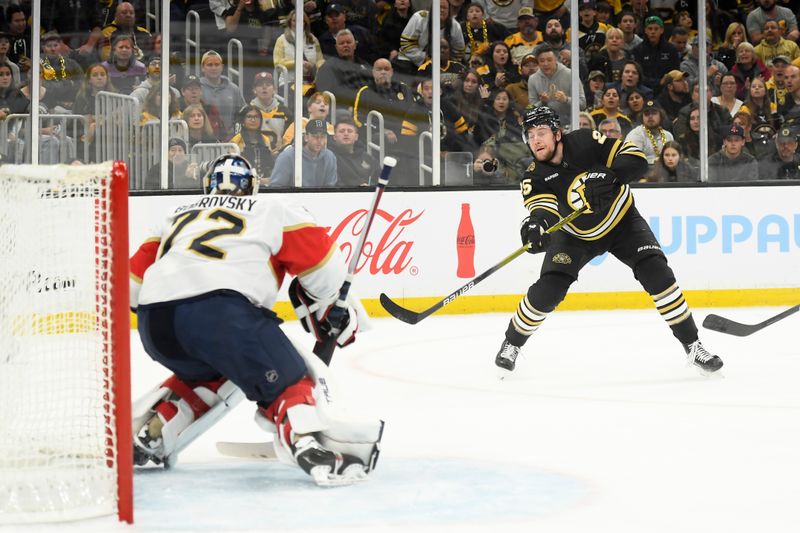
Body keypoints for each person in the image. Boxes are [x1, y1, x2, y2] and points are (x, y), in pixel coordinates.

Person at [130, 154, 381, 486]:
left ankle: (157, 425)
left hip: (156, 325)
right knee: (294, 376)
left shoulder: (175, 215)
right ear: (253, 186)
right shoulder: (272, 210)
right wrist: (335, 310)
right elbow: (324, 270)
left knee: (221, 368)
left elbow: (132, 288)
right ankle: (306, 442)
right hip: (222, 314)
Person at [494, 106, 723, 376]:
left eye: (541, 132)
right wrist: (536, 227)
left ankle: (693, 346)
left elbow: (636, 158)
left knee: (658, 274)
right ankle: (512, 342)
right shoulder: (533, 176)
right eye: (530, 135)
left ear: (557, 133)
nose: (535, 140)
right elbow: (543, 211)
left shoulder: (584, 141)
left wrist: (610, 174)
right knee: (548, 291)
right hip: (574, 236)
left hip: (623, 222)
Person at [270, 118, 338, 187]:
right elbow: (276, 187)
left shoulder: (330, 157)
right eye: (315, 136)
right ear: (306, 137)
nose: (319, 140)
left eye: (323, 136)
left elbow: (330, 188)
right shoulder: (288, 156)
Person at [329, 118, 379, 186]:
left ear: (356, 137)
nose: (346, 134)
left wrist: (370, 187)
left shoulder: (367, 158)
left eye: (350, 131)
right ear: (334, 137)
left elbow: (381, 181)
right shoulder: (330, 157)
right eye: (341, 131)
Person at [625, 99, 673, 164]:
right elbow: (631, 161)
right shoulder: (635, 135)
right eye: (647, 114)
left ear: (661, 116)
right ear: (642, 118)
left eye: (654, 113)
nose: (650, 116)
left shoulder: (668, 135)